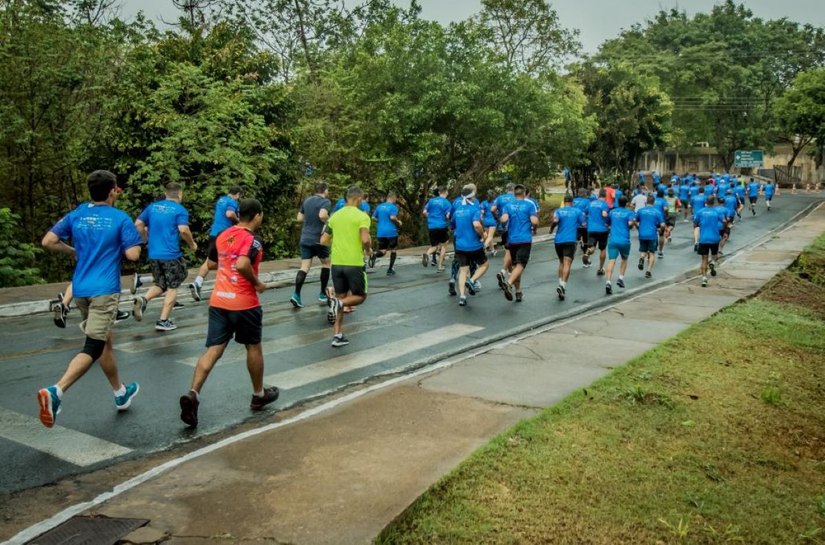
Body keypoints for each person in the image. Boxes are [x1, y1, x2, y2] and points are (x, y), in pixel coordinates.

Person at [37, 170, 143, 428]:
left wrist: (73, 250)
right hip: (104, 291)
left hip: (81, 290)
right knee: (93, 347)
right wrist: (137, 239)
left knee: (104, 341)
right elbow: (133, 255)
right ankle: (56, 391)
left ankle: (120, 392)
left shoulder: (77, 214)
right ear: (112, 192)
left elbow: (48, 241)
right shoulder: (120, 218)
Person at [179, 199, 279, 428]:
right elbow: (244, 264)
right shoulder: (253, 240)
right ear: (256, 216)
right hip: (244, 303)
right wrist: (257, 283)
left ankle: (193, 393)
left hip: (219, 301)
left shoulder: (223, 235)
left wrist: (228, 258)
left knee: (213, 350)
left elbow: (212, 263)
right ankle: (258, 394)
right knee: (253, 347)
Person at [133, 183, 197, 332]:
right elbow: (183, 230)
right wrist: (192, 244)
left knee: (160, 283)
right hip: (171, 254)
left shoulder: (152, 207)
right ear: (180, 194)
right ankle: (163, 320)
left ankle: (144, 299)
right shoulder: (180, 210)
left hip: (154, 253)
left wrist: (145, 240)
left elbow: (138, 224)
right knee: (173, 286)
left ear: (166, 193)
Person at [322, 186, 372, 347]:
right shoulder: (362, 216)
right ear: (358, 199)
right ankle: (339, 304)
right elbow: (365, 239)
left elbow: (323, 240)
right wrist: (369, 249)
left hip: (337, 263)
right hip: (354, 263)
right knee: (360, 296)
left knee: (341, 296)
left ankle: (337, 335)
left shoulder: (334, 216)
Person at [189, 186, 241, 302]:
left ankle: (197, 282)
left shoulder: (221, 200)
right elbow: (229, 214)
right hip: (225, 235)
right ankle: (228, 288)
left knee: (209, 261)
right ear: (237, 194)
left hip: (214, 233)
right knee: (230, 260)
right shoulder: (232, 201)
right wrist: (239, 222)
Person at [291, 182, 332, 308]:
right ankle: (322, 294)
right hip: (319, 239)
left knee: (304, 267)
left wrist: (310, 221)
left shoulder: (307, 200)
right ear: (325, 190)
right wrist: (329, 221)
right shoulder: (326, 202)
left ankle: (296, 295)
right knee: (326, 264)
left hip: (305, 237)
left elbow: (299, 218)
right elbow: (322, 215)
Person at [496, 185, 537, 302]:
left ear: (514, 194)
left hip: (512, 239)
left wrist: (504, 226)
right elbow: (534, 220)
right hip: (524, 239)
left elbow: (503, 219)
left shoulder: (508, 206)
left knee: (515, 267)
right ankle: (508, 284)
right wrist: (534, 229)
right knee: (521, 265)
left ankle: (518, 292)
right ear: (524, 193)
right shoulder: (529, 205)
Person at [452, 188, 489, 306]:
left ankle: (462, 296)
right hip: (474, 245)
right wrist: (483, 234)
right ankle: (472, 280)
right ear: (472, 197)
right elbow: (477, 224)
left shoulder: (457, 211)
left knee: (463, 270)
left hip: (460, 245)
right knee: (484, 265)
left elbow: (452, 225)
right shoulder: (474, 209)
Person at [550, 195, 586, 301]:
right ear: (572, 202)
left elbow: (555, 221)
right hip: (570, 240)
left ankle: (560, 283)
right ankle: (563, 286)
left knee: (561, 262)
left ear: (564, 202)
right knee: (567, 263)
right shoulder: (577, 211)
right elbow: (583, 224)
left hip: (558, 240)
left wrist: (551, 229)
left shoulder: (558, 211)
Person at [605, 196, 636, 295]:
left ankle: (608, 282)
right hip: (624, 240)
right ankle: (620, 278)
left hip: (613, 239)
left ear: (618, 202)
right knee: (624, 259)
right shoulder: (629, 213)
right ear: (626, 203)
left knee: (611, 260)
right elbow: (630, 224)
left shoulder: (612, 212)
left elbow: (607, 224)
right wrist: (631, 224)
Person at [369, 192, 402, 276]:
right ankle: (390, 270)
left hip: (381, 232)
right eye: (395, 199)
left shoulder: (379, 206)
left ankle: (375, 255)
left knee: (383, 251)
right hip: (391, 232)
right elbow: (392, 217)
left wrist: (379, 221)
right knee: (393, 250)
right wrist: (398, 222)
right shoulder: (393, 207)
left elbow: (373, 217)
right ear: (393, 198)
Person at [695, 195, 724, 287]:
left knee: (704, 259)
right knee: (715, 255)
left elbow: (695, 223)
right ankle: (713, 263)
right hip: (715, 238)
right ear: (714, 202)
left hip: (703, 239)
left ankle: (704, 278)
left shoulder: (700, 212)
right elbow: (724, 220)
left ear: (706, 202)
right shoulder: (717, 211)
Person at [422, 186, 452, 272]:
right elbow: (447, 216)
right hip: (441, 226)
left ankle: (427, 253)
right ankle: (440, 266)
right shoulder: (446, 202)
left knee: (434, 246)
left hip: (432, 226)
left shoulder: (431, 201)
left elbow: (424, 212)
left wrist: (430, 217)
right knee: (444, 244)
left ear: (439, 192)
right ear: (446, 192)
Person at [636, 194, 665, 279]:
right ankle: (648, 271)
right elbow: (662, 225)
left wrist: (638, 227)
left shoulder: (640, 211)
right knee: (652, 253)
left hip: (642, 234)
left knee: (643, 250)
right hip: (652, 234)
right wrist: (661, 230)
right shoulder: (657, 212)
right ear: (654, 202)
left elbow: (635, 221)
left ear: (646, 202)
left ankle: (642, 258)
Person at [491, 184, 516, 279]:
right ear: (513, 190)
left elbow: (492, 209)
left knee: (507, 250)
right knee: (511, 251)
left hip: (503, 226)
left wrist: (497, 218)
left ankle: (510, 272)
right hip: (514, 227)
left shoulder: (500, 198)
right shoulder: (515, 197)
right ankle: (504, 271)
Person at [584, 188, 610, 275]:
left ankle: (587, 253)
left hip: (591, 228)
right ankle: (600, 268)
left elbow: (585, 213)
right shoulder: (604, 204)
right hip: (602, 229)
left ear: (599, 195)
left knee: (592, 247)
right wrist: (607, 221)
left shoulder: (591, 204)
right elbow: (604, 214)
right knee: (602, 249)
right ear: (605, 196)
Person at [572, 188, 590, 262]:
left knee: (575, 238)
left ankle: (571, 255)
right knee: (586, 240)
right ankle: (585, 258)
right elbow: (588, 211)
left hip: (575, 223)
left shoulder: (574, 200)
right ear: (585, 194)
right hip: (584, 223)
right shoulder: (587, 201)